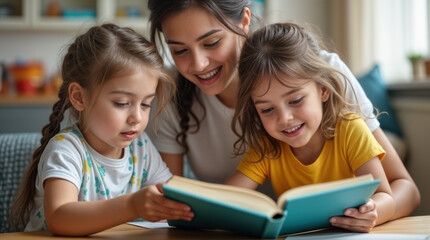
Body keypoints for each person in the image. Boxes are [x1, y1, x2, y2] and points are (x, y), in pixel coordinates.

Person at [146, 0, 419, 221]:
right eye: (179, 51)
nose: (199, 63)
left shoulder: (318, 72)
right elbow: (179, 209)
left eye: (211, 42)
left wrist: (372, 213)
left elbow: (403, 189)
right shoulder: (171, 92)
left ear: (244, 20)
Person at [9, 24, 193, 236]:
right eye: (122, 103)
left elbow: (171, 195)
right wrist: (133, 206)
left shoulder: (141, 146)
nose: (137, 117)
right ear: (79, 97)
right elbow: (59, 217)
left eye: (145, 104)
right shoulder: (67, 149)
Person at [225, 22, 397, 232]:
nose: (285, 118)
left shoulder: (351, 130)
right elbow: (225, 200)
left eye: (296, 100)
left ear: (323, 90)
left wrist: (372, 211)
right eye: (267, 110)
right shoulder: (267, 147)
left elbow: (386, 196)